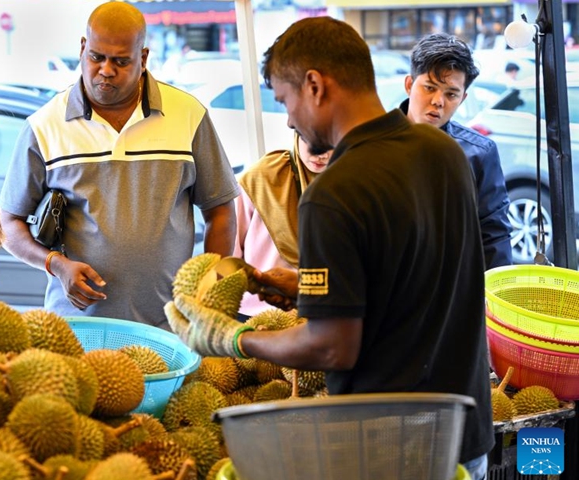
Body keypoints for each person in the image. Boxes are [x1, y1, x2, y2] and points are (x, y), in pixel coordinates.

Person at [165, 17, 494, 480]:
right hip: (464, 437)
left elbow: (331, 348)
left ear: (314, 86)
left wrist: (231, 338)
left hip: (387, 450)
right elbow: (409, 281)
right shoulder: (442, 154)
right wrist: (305, 287)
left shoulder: (333, 193)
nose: (287, 118)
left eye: (284, 98)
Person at [0, 2, 238, 330]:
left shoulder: (189, 116)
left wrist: (210, 288)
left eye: (121, 61)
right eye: (96, 57)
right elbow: (9, 223)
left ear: (143, 58)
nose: (106, 70)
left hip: (169, 328)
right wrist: (56, 264)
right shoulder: (45, 126)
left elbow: (221, 211)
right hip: (75, 330)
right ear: (83, 48)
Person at [401, 33, 513, 269]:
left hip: (452, 292)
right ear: (409, 85)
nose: (438, 101)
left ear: (463, 98)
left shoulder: (479, 153)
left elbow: (493, 232)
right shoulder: (372, 142)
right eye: (429, 87)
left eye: (451, 94)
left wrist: (491, 295)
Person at [233, 132, 331, 319]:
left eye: (332, 143)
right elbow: (231, 252)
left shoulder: (349, 186)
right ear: (297, 130)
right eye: (312, 140)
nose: (321, 154)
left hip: (319, 316)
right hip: (253, 313)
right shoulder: (260, 178)